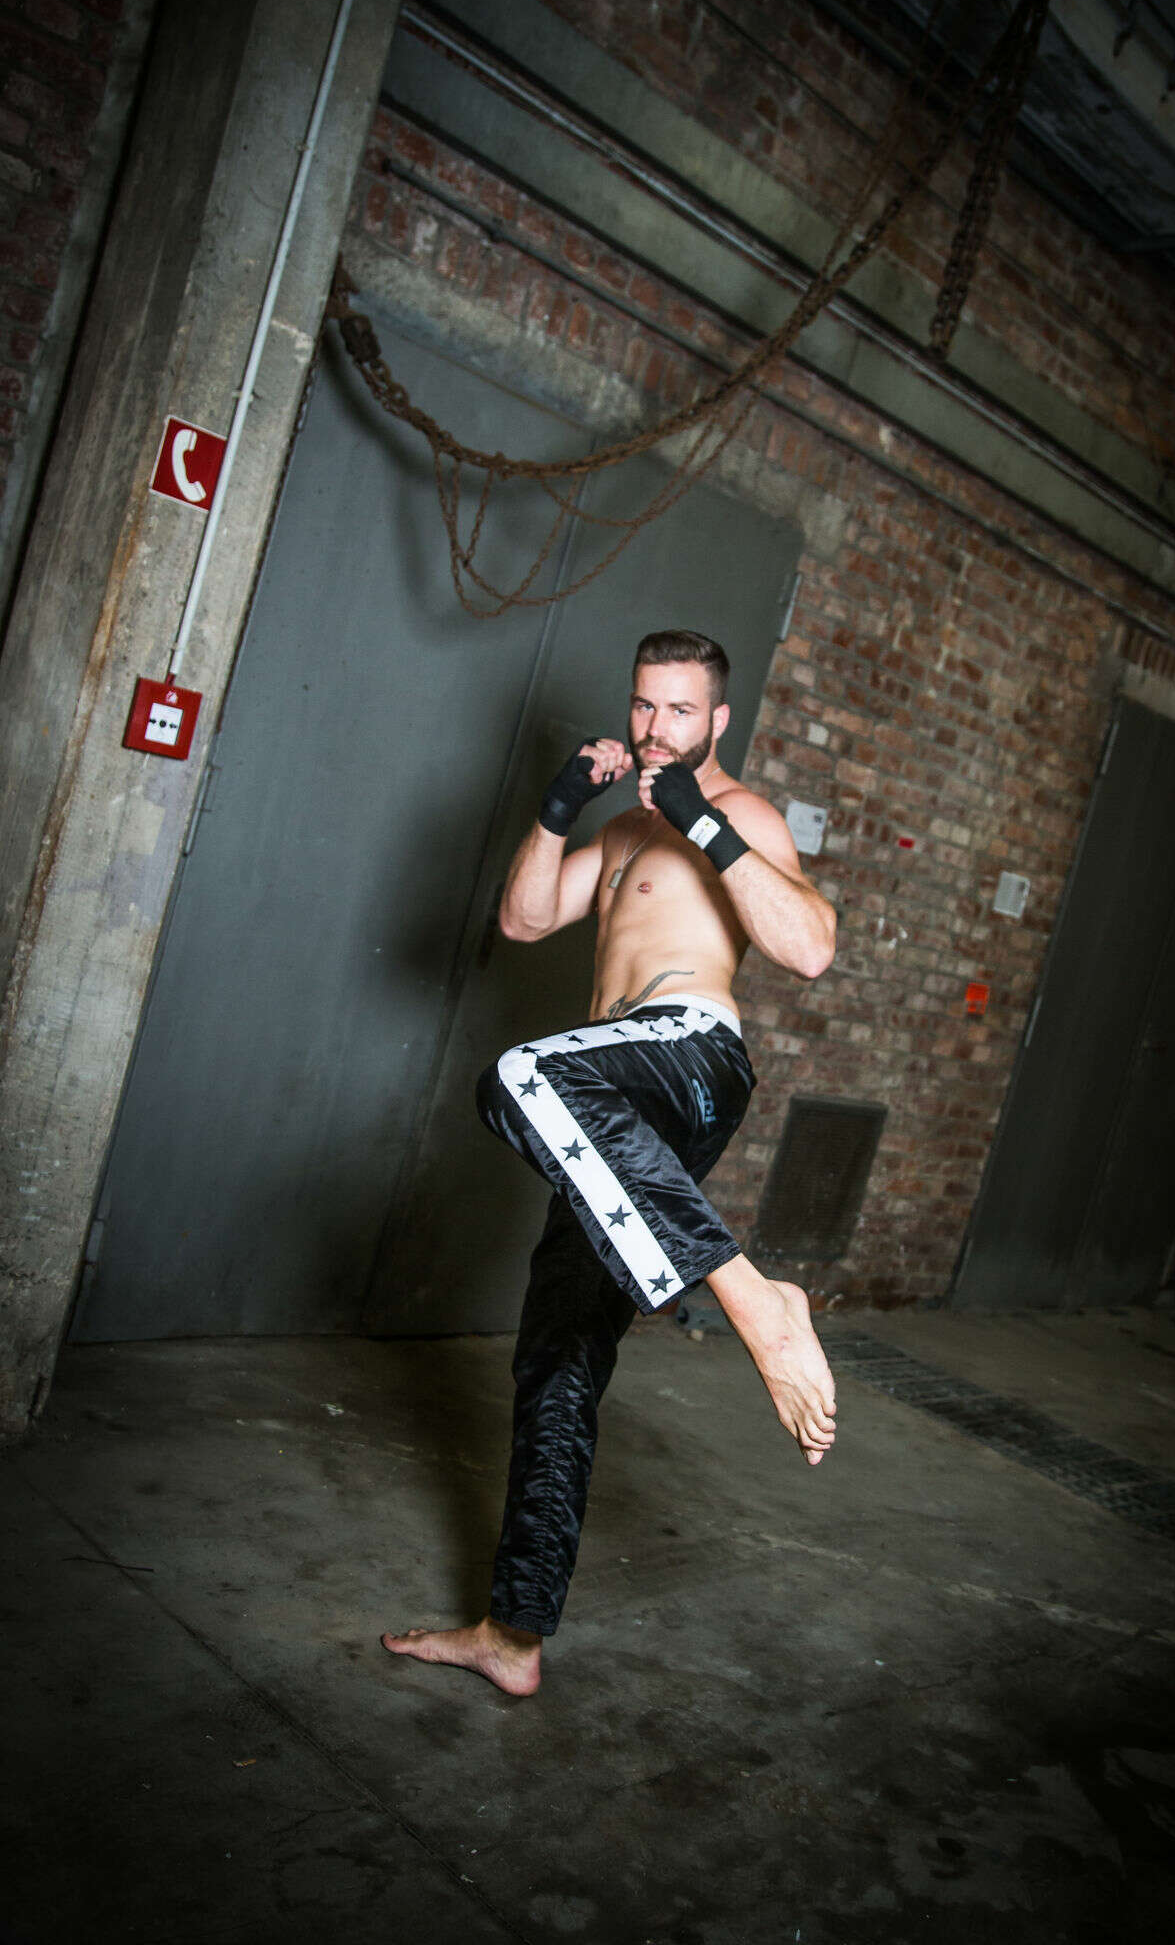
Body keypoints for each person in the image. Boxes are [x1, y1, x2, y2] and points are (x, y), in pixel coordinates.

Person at [383, 630, 838, 1694]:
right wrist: (556, 809)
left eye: (679, 710)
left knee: (519, 1073)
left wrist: (703, 821)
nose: (655, 728)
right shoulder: (626, 828)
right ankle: (513, 1634)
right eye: (643, 706)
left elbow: (810, 946)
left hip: (683, 1056)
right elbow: (523, 918)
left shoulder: (740, 812)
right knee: (558, 1361)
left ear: (717, 720)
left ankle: (753, 1297)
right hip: (608, 1112)